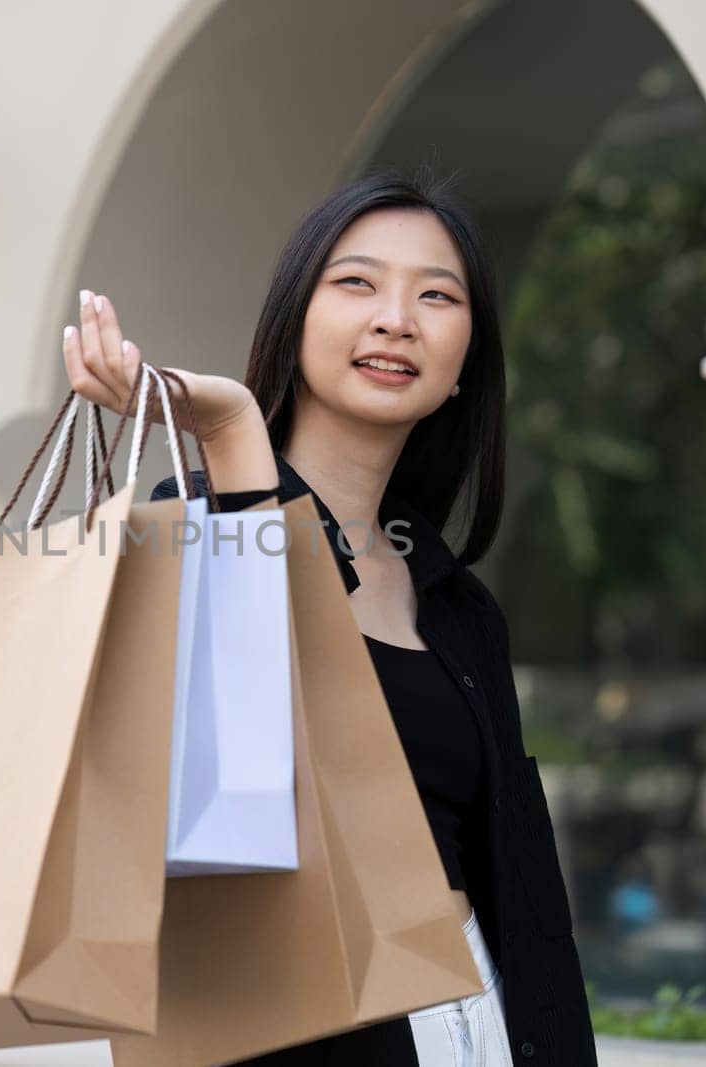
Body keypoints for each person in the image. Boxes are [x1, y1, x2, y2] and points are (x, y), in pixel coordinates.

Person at [60, 171, 596, 1066]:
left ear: (466, 361)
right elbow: (235, 779)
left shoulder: (460, 606)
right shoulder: (194, 529)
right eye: (357, 283)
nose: (397, 318)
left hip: (477, 1013)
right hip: (307, 1027)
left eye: (438, 295)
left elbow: (522, 883)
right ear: (294, 321)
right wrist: (231, 430)